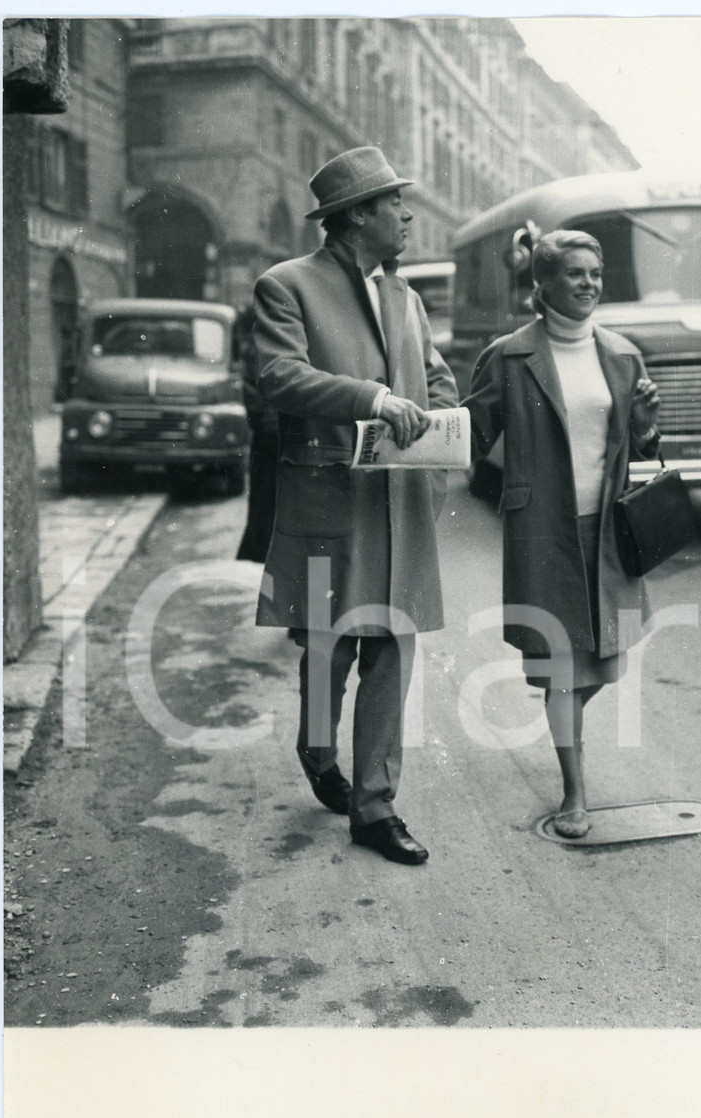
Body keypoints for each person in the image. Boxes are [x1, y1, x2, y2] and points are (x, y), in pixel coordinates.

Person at [253, 147, 458, 865]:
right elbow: (278, 375)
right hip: (327, 503)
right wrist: (372, 398)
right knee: (329, 647)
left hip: (399, 503)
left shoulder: (406, 297)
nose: (407, 216)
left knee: (392, 648)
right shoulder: (287, 285)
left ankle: (375, 806)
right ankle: (317, 750)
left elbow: (435, 378)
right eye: (396, 203)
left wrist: (445, 421)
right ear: (357, 215)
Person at [464, 230, 662, 839]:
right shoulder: (509, 357)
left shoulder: (623, 355)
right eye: (574, 273)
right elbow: (470, 437)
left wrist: (646, 426)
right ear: (543, 283)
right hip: (542, 530)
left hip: (607, 528)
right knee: (560, 669)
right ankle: (575, 792)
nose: (588, 284)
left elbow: (641, 448)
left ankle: (563, 720)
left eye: (595, 273)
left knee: (601, 662)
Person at [234, 306, 281, 564]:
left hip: (271, 442)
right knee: (265, 518)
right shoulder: (258, 355)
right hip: (272, 444)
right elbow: (259, 410)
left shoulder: (259, 352)